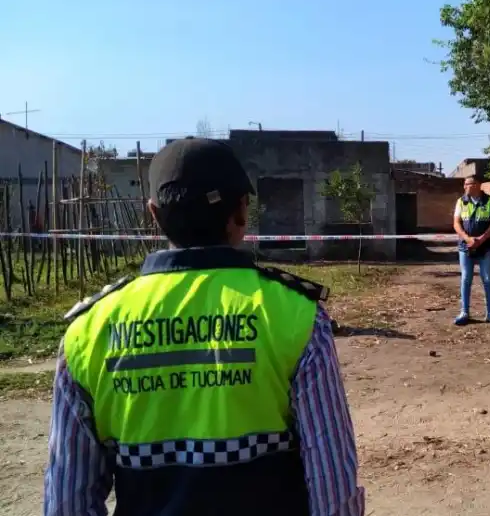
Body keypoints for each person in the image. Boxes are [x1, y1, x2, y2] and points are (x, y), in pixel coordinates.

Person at [43, 138, 365, 516]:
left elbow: (67, 502)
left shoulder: (88, 332)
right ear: (242, 212)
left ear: (154, 215)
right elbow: (333, 492)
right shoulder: (296, 317)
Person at [452, 174, 490, 326]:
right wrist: (467, 239)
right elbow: (456, 223)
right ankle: (464, 312)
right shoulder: (461, 202)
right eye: (465, 184)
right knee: (466, 279)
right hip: (465, 248)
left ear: (477, 185)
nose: (466, 187)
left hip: (484, 248)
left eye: (469, 184)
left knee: (487, 280)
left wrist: (481, 239)